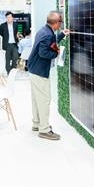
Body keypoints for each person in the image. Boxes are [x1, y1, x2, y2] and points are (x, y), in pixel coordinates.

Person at [27, 11, 69, 140]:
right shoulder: (47, 34)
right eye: (60, 22)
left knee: (37, 99)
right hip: (39, 71)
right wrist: (57, 53)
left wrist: (61, 35)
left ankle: (37, 124)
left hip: (34, 69)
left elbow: (51, 42)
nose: (61, 24)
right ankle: (44, 130)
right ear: (56, 23)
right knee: (44, 100)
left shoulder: (44, 30)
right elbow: (44, 53)